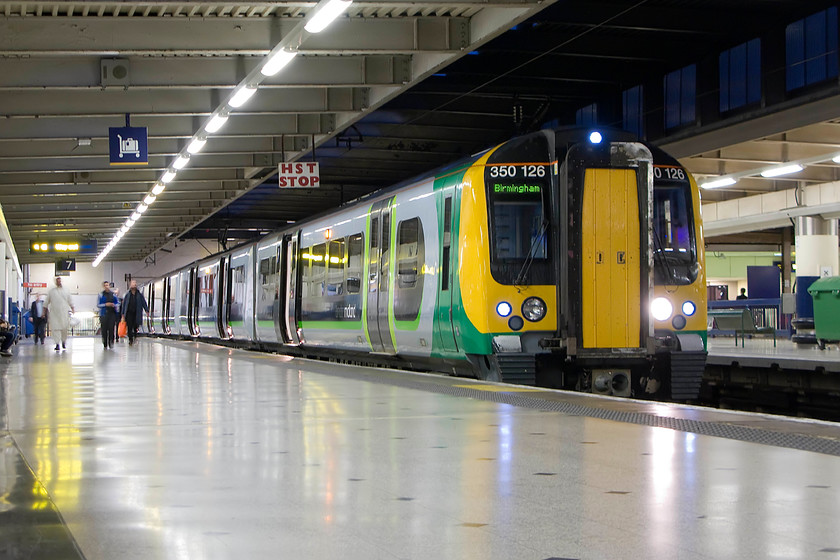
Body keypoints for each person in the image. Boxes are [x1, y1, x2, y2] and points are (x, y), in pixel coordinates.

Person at [45, 276, 74, 351]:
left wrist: (72, 308)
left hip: (64, 312)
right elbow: (46, 302)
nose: (59, 282)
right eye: (57, 281)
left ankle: (63, 342)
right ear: (55, 282)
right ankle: (57, 343)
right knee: (55, 329)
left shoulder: (66, 290)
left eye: (60, 280)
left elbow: (70, 300)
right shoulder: (51, 291)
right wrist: (43, 312)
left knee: (64, 328)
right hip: (54, 313)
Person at [120, 280, 148, 346]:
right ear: (130, 286)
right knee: (129, 327)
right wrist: (123, 314)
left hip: (137, 313)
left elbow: (143, 302)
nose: (134, 286)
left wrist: (146, 310)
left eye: (135, 285)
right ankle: (130, 339)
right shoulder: (127, 295)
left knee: (135, 326)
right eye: (133, 285)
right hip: (129, 313)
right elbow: (124, 305)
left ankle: (135, 336)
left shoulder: (139, 295)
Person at [97, 281, 119, 349]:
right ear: (103, 286)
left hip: (112, 314)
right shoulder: (100, 295)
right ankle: (105, 343)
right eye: (105, 285)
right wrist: (105, 304)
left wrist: (114, 305)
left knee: (111, 328)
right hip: (104, 314)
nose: (107, 286)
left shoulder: (113, 294)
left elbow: (118, 302)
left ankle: (111, 342)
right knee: (104, 329)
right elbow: (98, 304)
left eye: (108, 285)